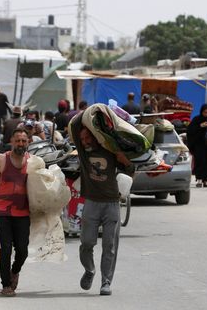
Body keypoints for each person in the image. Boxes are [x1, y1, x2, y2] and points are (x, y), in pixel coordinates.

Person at [70, 113, 134, 296]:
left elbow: (130, 170)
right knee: (86, 243)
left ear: (95, 136)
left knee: (110, 246)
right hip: (91, 203)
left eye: (88, 137)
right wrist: (91, 111)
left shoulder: (110, 150)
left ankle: (106, 282)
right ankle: (89, 270)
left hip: (111, 204)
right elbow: (74, 126)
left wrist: (124, 160)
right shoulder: (83, 153)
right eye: (82, 139)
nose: (85, 141)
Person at [0, 128, 31, 297]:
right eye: (17, 141)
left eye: (23, 141)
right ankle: (6, 285)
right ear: (12, 142)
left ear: (28, 142)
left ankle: (15, 270)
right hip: (2, 210)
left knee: (22, 249)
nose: (20, 144)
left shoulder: (31, 161)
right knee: (5, 248)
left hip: (23, 211)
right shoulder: (1, 159)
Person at [187, 104, 207, 187]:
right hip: (200, 144)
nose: (206, 114)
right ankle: (200, 179)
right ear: (202, 112)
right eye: (204, 112)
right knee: (200, 161)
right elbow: (190, 130)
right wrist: (200, 126)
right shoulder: (197, 119)